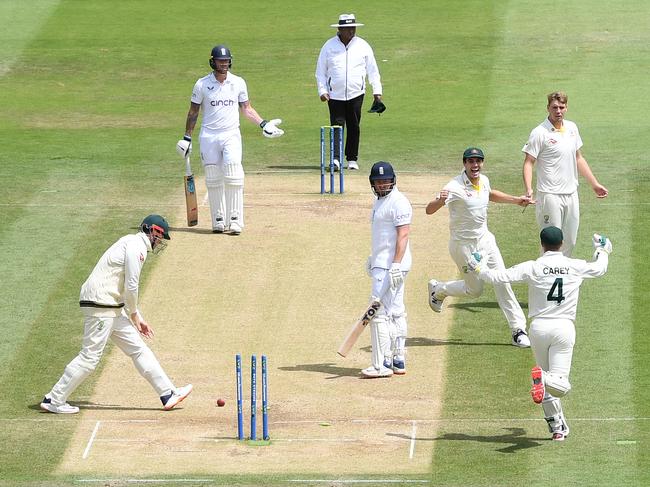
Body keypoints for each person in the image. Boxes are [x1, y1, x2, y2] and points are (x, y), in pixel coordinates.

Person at [468, 226, 612, 441]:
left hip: (538, 328)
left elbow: (498, 277)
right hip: (563, 327)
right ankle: (543, 379)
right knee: (559, 382)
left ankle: (557, 428)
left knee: (550, 383)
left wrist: (478, 268)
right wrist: (602, 250)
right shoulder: (575, 265)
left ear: (542, 244)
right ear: (562, 244)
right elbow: (600, 268)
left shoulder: (532, 267)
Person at [40, 215, 192, 414]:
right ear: (153, 231)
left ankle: (167, 393)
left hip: (110, 306)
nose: (161, 241)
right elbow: (131, 284)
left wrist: (138, 317)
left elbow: (124, 287)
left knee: (138, 349)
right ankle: (55, 399)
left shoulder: (131, 242)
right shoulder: (137, 246)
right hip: (101, 305)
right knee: (90, 357)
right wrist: (135, 314)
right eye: (161, 236)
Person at [425, 147, 534, 347]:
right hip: (463, 247)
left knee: (503, 280)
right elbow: (429, 210)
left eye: (478, 161)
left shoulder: (483, 181)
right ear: (464, 164)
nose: (475, 165)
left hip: (485, 241)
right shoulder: (454, 186)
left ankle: (518, 330)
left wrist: (516, 200)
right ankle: (439, 290)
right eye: (471, 161)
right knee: (474, 291)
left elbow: (490, 194)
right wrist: (439, 201)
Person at [177, 44, 284, 235]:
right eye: (221, 61)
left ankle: (235, 220)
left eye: (226, 60)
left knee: (234, 174)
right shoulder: (202, 84)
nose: (224, 64)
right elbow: (193, 112)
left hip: (231, 134)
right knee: (213, 177)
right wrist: (187, 137)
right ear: (213, 62)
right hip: (209, 136)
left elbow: (247, 109)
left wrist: (263, 124)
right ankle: (218, 220)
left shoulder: (238, 82)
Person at [522, 91, 608, 256]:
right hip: (549, 195)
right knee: (551, 244)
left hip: (571, 194)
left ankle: (562, 279)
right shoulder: (539, 132)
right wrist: (528, 188)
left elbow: (578, 158)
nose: (558, 111)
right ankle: (546, 280)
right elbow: (528, 162)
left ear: (566, 108)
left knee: (570, 241)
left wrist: (594, 184)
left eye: (561, 107)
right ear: (548, 108)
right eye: (554, 107)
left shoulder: (572, 128)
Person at [315, 13, 384, 171]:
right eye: (347, 29)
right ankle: (336, 159)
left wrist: (377, 90)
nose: (351, 31)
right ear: (340, 29)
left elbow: (373, 70)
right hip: (334, 95)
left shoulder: (363, 46)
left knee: (354, 126)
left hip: (356, 93)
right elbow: (320, 71)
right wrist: (322, 90)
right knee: (337, 126)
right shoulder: (329, 46)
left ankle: (352, 159)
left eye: (353, 28)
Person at [363, 161, 412, 378]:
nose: (383, 184)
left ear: (393, 180)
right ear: (373, 183)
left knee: (378, 313)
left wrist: (395, 264)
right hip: (384, 263)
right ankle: (398, 358)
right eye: (379, 181)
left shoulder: (399, 202)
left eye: (386, 180)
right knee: (396, 309)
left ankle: (380, 364)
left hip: (390, 266)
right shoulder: (379, 201)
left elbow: (403, 235)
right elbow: (384, 236)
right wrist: (373, 258)